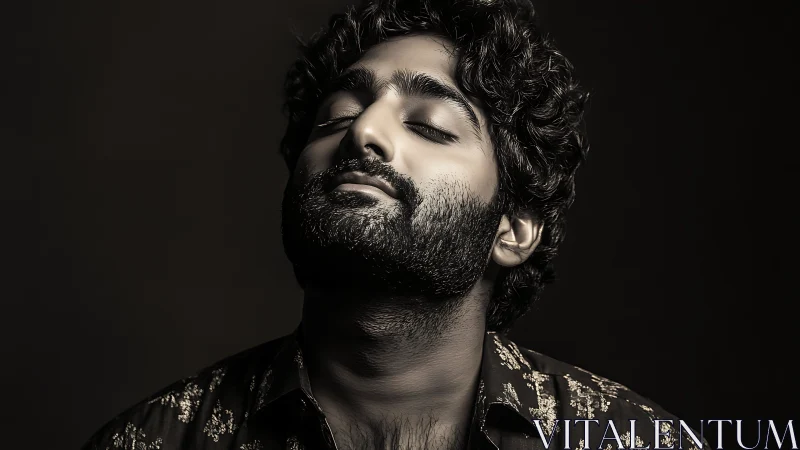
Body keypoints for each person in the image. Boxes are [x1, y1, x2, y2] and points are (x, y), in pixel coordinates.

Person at [83, 0, 703, 449]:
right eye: (334, 118)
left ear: (511, 229)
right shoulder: (152, 441)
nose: (363, 131)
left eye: (430, 125)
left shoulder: (634, 440)